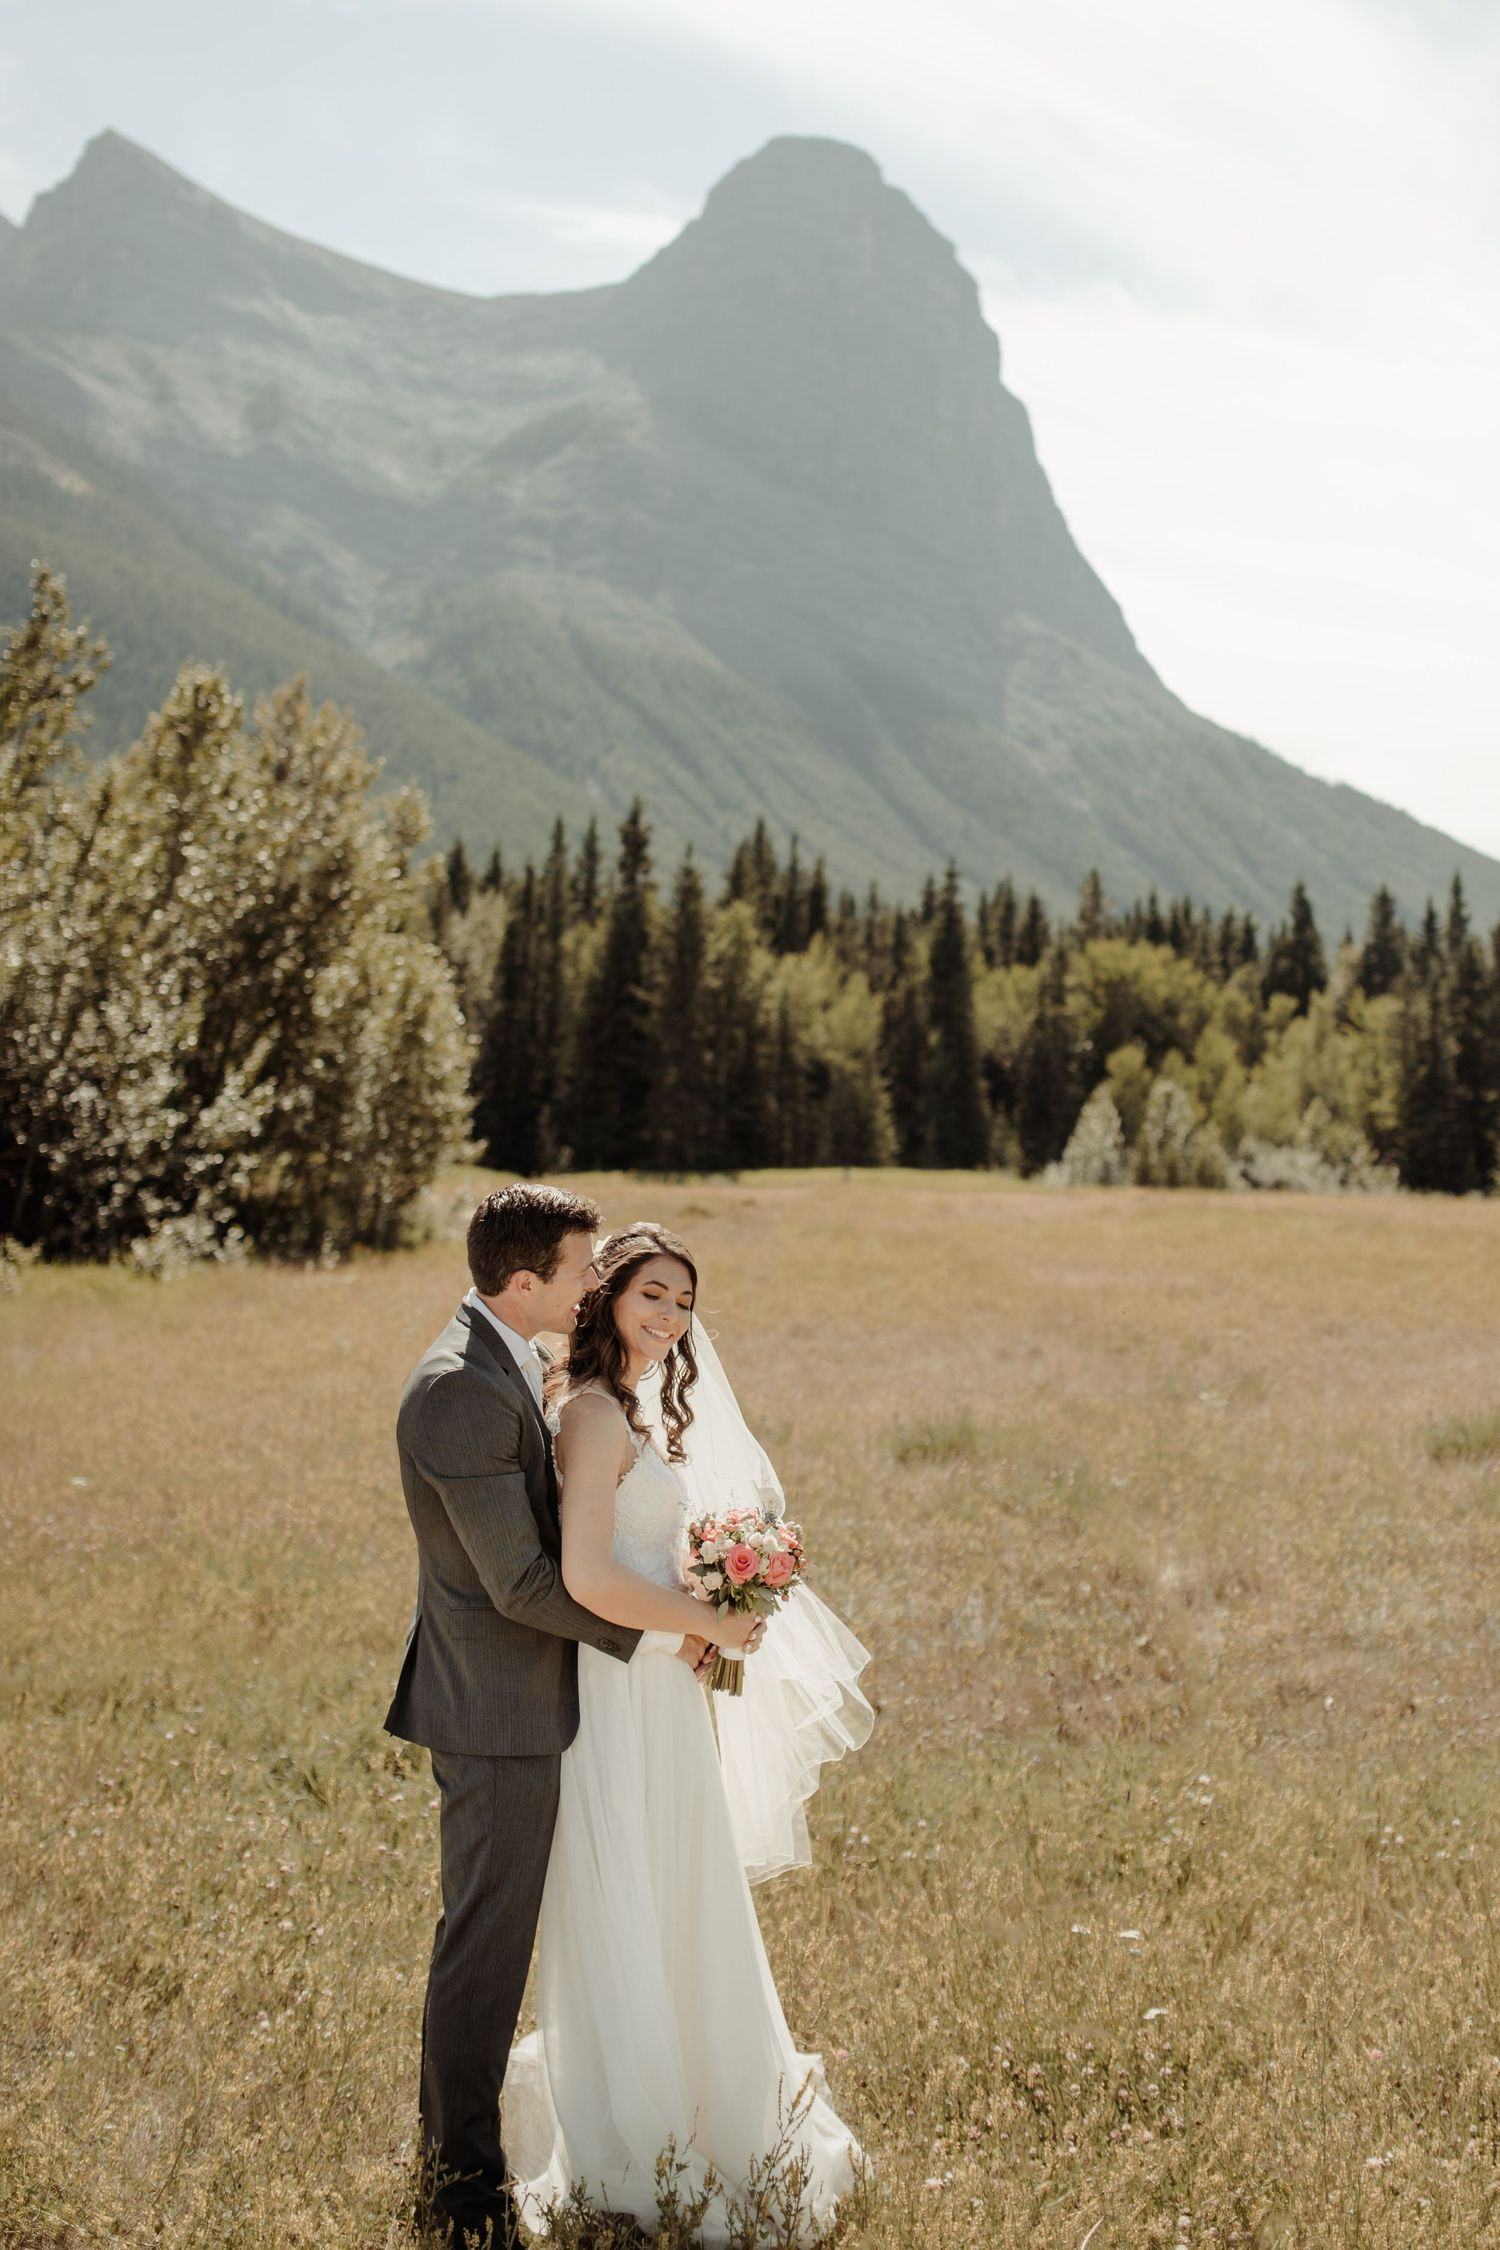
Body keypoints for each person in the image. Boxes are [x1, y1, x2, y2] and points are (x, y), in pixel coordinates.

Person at [385, 1185, 744, 2250]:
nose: (596, 1284)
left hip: (545, 1695)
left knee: (519, 1935)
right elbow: (522, 1584)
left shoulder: (514, 1364)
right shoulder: (458, 1389)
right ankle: (462, 2193)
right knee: (486, 1949)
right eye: (586, 1270)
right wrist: (674, 1634)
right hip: (495, 1708)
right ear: (523, 1281)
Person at [504, 1221, 873, 2244]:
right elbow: (586, 1575)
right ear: (607, 1296)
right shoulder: (589, 1414)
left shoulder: (630, 1408)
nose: (670, 1317)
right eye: (651, 1295)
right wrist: (703, 1623)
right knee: (633, 1885)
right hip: (616, 1690)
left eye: (683, 1302)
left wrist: (704, 1615)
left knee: (677, 1886)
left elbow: (637, 1559)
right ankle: (644, 2130)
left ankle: (706, 2105)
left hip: (659, 1684)